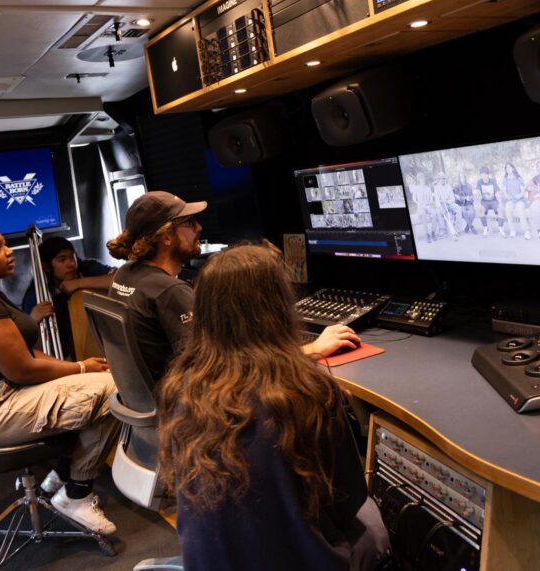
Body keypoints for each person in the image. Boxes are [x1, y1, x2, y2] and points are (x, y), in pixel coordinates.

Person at [158, 244, 390, 570]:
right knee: (373, 521)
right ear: (278, 306)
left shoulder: (182, 391)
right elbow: (349, 497)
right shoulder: (306, 391)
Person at [0, 221, 119, 535]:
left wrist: (80, 370)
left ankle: (62, 474)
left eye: (6, 244)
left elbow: (29, 354)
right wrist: (81, 369)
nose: (9, 253)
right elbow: (22, 369)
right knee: (115, 389)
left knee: (103, 383)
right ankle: (77, 493)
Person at [105, 191, 362, 381]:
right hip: (185, 415)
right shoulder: (168, 292)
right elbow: (221, 372)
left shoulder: (125, 275)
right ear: (167, 236)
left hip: (157, 411)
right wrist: (312, 349)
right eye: (189, 223)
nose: (199, 227)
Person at [21, 236, 117, 359]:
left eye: (72, 257)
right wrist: (33, 320)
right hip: (66, 355)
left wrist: (79, 283)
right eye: (62, 260)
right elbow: (31, 346)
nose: (71, 264)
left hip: (106, 340)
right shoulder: (37, 294)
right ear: (46, 266)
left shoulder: (86, 268)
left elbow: (121, 281)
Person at [501, 162, 530, 239]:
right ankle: (512, 230)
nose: (508, 169)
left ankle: (526, 231)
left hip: (519, 200)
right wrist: (508, 197)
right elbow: (505, 193)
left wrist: (519, 196)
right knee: (508, 209)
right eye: (506, 168)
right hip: (510, 200)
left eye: (510, 167)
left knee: (521, 210)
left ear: (513, 168)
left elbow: (523, 191)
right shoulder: (505, 180)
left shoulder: (518, 178)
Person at [475, 165, 506, 237]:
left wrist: (500, 203)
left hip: (493, 201)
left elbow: (497, 193)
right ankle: (485, 229)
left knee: (500, 210)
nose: (484, 176)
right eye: (482, 174)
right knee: (481, 210)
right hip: (484, 202)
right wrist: (478, 203)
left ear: (488, 174)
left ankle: (500, 229)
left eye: (485, 174)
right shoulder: (479, 182)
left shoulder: (493, 181)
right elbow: (478, 192)